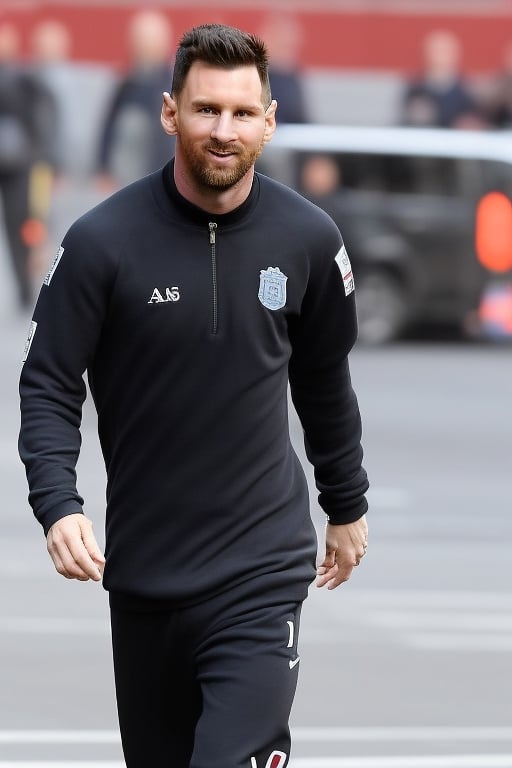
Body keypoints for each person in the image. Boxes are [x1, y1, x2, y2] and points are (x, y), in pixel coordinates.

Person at [19, 23, 369, 768]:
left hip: (261, 575)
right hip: (144, 577)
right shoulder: (101, 243)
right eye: (207, 109)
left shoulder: (308, 239)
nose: (224, 130)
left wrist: (347, 504)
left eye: (244, 114)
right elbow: (49, 381)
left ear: (270, 122)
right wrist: (59, 503)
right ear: (170, 111)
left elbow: (325, 380)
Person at [0, 20, 57, 310]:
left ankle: (28, 282)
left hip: (23, 166)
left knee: (28, 224)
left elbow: (43, 122)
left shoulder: (26, 79)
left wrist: (43, 157)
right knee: (17, 228)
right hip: (15, 164)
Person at [96, 8, 175, 190]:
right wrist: (103, 168)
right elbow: (108, 127)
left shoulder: (174, 85)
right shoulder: (125, 83)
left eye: (148, 40)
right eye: (139, 39)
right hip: (123, 181)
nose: (143, 45)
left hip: (157, 178)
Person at [401, 29, 484, 128]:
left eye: (446, 50)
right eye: (437, 50)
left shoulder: (468, 90)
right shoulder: (415, 89)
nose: (441, 55)